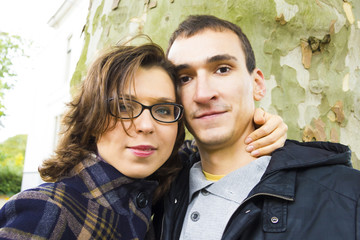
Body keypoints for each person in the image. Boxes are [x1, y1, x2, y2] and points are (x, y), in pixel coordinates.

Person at [0, 41, 286, 239]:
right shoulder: (45, 209)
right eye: (124, 107)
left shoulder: (165, 182)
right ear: (91, 117)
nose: (146, 126)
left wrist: (257, 124)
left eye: (163, 110)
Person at [154, 15, 360, 240]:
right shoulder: (156, 188)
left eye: (222, 69)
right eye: (184, 78)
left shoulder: (348, 194)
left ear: (258, 85)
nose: (203, 94)